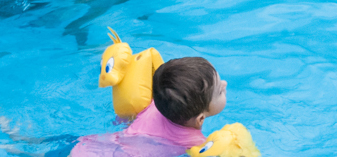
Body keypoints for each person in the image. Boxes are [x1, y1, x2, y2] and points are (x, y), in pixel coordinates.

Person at [70, 57, 246, 157]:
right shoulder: (195, 143)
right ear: (200, 119)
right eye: (220, 91)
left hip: (87, 146)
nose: (225, 83)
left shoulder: (154, 104)